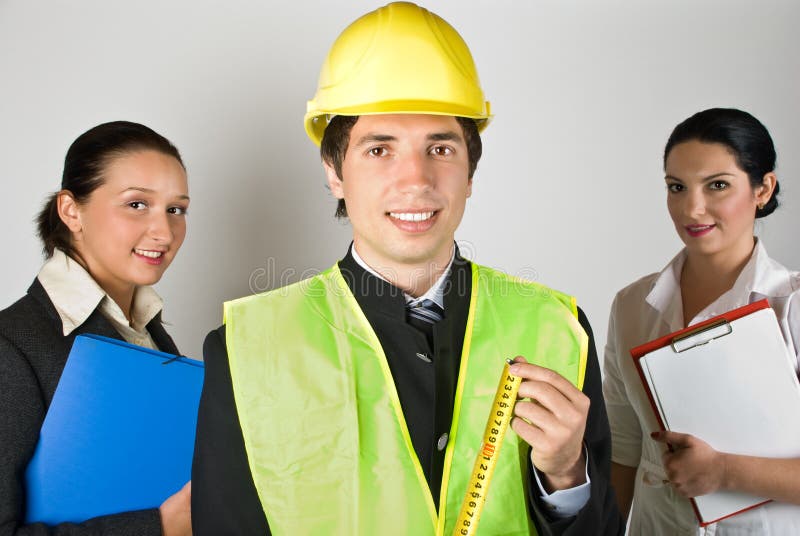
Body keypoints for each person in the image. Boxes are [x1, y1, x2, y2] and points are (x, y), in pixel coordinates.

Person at [192, 3, 622, 534]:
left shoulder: (556, 328)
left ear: (470, 173)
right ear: (334, 172)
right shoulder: (247, 348)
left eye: (440, 147)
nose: (415, 179)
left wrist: (565, 475)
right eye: (379, 150)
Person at [603, 107, 800, 534]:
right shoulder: (633, 306)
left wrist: (725, 472)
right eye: (677, 187)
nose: (692, 209)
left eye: (717, 186)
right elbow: (623, 450)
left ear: (763, 188)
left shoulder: (792, 307)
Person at [0, 121, 193, 535]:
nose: (164, 232)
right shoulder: (11, 346)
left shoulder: (148, 334)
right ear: (71, 211)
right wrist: (160, 526)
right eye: (137, 204)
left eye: (176, 209)